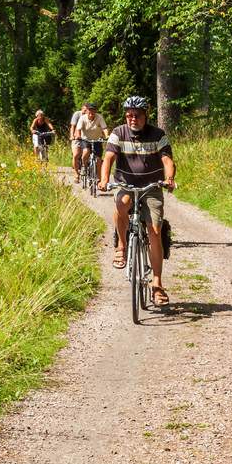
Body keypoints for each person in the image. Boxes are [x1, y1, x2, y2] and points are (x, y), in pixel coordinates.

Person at [98, 95, 176, 306]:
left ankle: (157, 285)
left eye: (137, 116)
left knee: (155, 231)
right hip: (126, 184)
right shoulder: (118, 133)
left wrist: (169, 179)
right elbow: (108, 158)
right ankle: (121, 247)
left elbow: (167, 159)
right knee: (121, 203)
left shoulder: (158, 134)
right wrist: (104, 179)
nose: (133, 119)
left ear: (145, 116)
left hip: (151, 187)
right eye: (129, 115)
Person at [73, 102, 109, 181]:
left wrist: (107, 136)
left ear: (95, 111)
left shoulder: (99, 117)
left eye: (93, 110)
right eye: (90, 110)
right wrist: (78, 136)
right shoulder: (82, 118)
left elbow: (104, 128)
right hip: (85, 139)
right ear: (87, 111)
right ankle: (84, 167)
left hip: (97, 140)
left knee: (99, 160)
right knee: (86, 152)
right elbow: (78, 129)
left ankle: (99, 178)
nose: (91, 112)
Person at [67, 104, 84, 176]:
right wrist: (72, 136)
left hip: (86, 137)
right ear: (82, 109)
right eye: (84, 110)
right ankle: (76, 173)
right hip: (77, 136)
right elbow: (73, 126)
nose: (85, 112)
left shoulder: (90, 116)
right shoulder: (77, 114)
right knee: (76, 155)